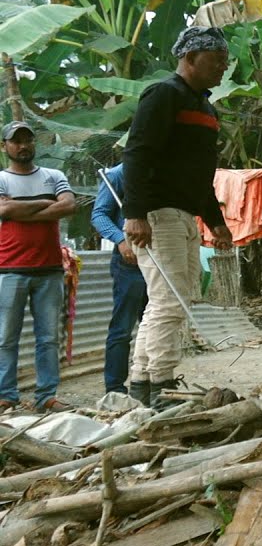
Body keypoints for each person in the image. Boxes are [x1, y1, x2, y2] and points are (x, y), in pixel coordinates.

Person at [123, 26, 233, 408]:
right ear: (189, 58)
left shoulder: (205, 108)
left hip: (185, 215)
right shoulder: (164, 94)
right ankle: (162, 385)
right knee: (170, 303)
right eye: (215, 60)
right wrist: (135, 213)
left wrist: (215, 220)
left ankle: (141, 384)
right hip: (158, 213)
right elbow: (137, 153)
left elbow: (200, 175)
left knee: (168, 301)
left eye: (225, 60)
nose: (223, 67)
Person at [0, 121, 76, 413]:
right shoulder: (2, 179)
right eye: (16, 141)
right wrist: (45, 205)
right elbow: (3, 210)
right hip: (9, 269)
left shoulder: (53, 175)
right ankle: (7, 395)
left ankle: (47, 396)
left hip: (49, 269)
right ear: (5, 146)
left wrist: (19, 210)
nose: (23, 146)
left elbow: (68, 206)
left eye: (27, 140)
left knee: (48, 337)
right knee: (6, 337)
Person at [91, 163, 148, 397]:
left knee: (153, 322)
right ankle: (114, 388)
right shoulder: (116, 175)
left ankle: (150, 380)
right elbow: (99, 214)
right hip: (130, 261)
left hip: (159, 258)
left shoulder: (162, 170)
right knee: (123, 327)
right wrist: (120, 240)